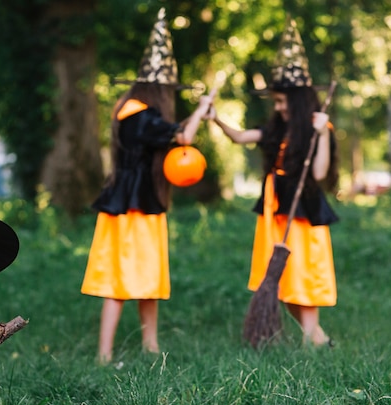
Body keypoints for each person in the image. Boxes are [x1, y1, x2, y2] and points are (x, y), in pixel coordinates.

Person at [81, 8, 215, 364]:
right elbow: (184, 136)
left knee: (142, 277)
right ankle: (107, 353)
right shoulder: (143, 116)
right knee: (124, 280)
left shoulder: (128, 110)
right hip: (136, 207)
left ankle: (143, 348)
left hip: (127, 202)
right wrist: (202, 109)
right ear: (160, 91)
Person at [205, 16, 339, 347]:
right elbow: (239, 137)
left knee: (304, 271)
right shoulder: (276, 129)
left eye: (282, 102)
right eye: (275, 102)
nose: (278, 108)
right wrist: (215, 117)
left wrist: (322, 133)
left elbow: (320, 173)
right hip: (274, 209)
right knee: (280, 274)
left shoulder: (318, 128)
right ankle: (317, 337)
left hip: (303, 210)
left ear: (297, 100)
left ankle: (313, 335)